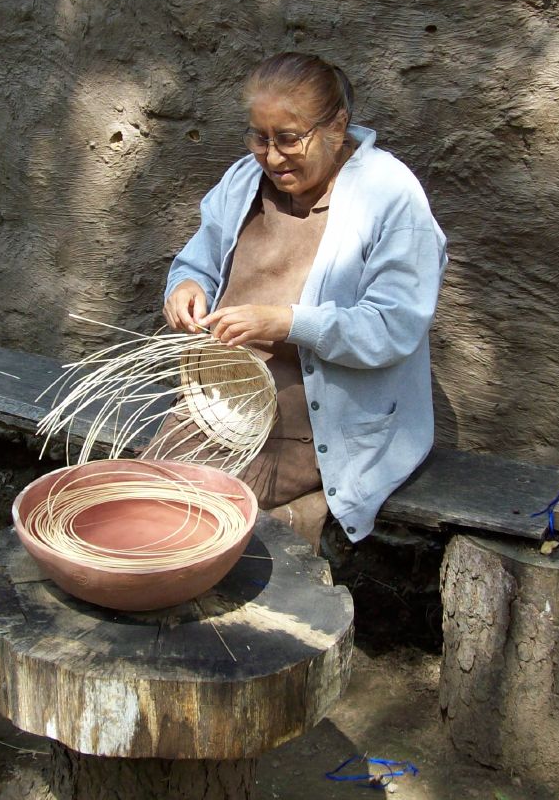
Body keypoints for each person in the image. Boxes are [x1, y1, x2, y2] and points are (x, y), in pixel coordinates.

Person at [161, 52, 448, 548]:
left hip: (322, 426)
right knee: (152, 491)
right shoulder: (242, 181)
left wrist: (285, 322)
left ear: (337, 127)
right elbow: (196, 262)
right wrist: (185, 288)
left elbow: (392, 327)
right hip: (224, 407)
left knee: (205, 516)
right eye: (259, 138)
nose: (272, 157)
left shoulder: (390, 196)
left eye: (289, 139)